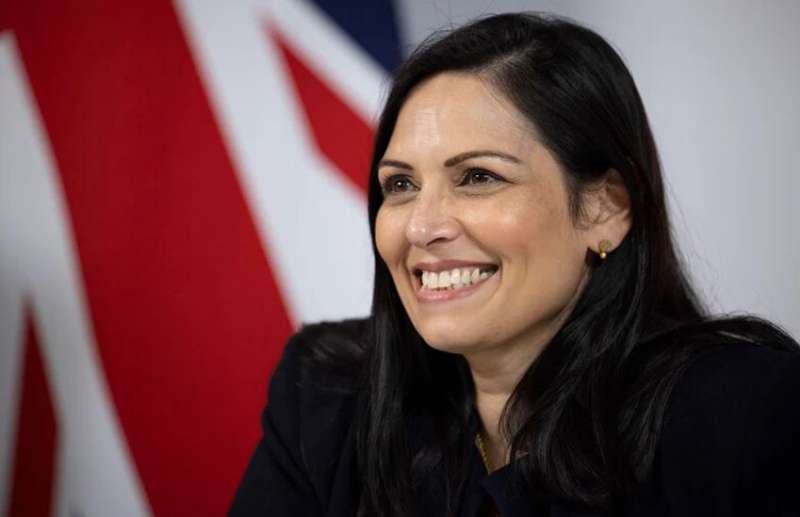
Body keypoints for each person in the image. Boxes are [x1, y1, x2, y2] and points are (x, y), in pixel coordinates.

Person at [230, 12, 800, 517]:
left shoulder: (752, 413)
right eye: (400, 184)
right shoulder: (325, 397)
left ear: (605, 209)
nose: (422, 227)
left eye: (478, 177)